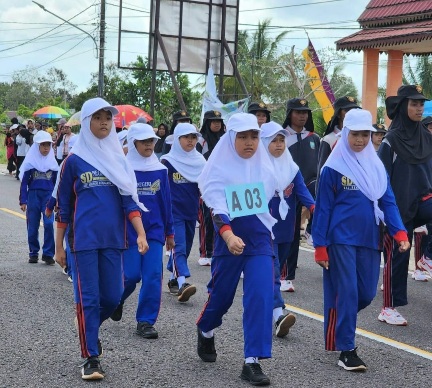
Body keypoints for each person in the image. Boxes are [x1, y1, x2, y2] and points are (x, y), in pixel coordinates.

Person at [54, 97, 149, 380]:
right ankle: (90, 357)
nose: (104, 122)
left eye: (108, 117)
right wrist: (59, 245)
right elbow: (63, 206)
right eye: (97, 117)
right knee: (89, 299)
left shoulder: (118, 160)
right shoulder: (73, 162)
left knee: (112, 296)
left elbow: (129, 202)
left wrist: (141, 233)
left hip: (114, 240)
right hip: (82, 242)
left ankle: (88, 325)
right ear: (86, 122)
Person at [312, 109, 409, 371]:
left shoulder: (376, 166)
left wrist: (399, 231)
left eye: (365, 134)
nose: (360, 140)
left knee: (365, 294)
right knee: (348, 291)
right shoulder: (333, 167)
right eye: (355, 134)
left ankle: (339, 320)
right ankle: (347, 349)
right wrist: (320, 246)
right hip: (339, 239)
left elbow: (388, 200)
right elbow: (322, 208)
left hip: (369, 239)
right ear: (345, 134)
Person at [196, 113, 278, 386]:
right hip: (228, 242)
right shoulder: (218, 169)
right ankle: (206, 329)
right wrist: (229, 236)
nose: (249, 142)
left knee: (260, 296)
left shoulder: (265, 168)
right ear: (231, 138)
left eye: (254, 136)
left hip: (259, 243)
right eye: (242, 137)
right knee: (221, 297)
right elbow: (218, 209)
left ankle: (252, 361)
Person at [110, 123, 175, 339]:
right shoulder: (122, 168)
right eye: (144, 141)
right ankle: (116, 300)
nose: (149, 145)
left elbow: (166, 202)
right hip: (129, 230)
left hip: (155, 231)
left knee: (153, 275)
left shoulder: (161, 170)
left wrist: (170, 232)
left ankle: (145, 321)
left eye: (152, 141)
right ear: (134, 143)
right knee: (131, 275)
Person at [378, 85, 432, 325]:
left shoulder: (426, 136)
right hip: (397, 206)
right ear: (403, 107)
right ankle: (388, 307)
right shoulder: (390, 140)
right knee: (399, 255)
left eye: (421, 104)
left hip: (422, 200)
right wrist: (382, 211)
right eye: (414, 104)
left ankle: (427, 257)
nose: (419, 108)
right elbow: (381, 178)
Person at [260, 121, 315, 337]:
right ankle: (278, 313)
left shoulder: (292, 168)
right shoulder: (256, 168)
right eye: (274, 140)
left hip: (285, 230)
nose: (279, 144)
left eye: (282, 140)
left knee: (274, 271)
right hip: (264, 230)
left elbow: (302, 192)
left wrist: (314, 208)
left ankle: (264, 306)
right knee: (273, 272)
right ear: (264, 142)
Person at [160, 123, 206, 301]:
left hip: (191, 212)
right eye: (186, 137)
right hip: (173, 213)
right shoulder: (167, 162)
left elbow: (207, 185)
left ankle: (173, 280)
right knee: (178, 246)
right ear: (177, 139)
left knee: (185, 248)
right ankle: (182, 283)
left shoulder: (201, 161)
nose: (190, 141)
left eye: (193, 137)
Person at [281, 98, 320, 291]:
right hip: (286, 190)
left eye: (305, 112)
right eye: (298, 111)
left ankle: (287, 276)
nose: (302, 115)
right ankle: (281, 273)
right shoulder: (281, 138)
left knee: (296, 233)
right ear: (290, 114)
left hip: (309, 189)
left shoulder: (314, 138)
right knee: (286, 232)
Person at [19, 131, 59, 264]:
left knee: (48, 224)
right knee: (32, 225)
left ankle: (48, 253)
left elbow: (57, 185)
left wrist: (57, 201)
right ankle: (33, 252)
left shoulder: (53, 165)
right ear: (37, 146)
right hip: (33, 196)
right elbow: (24, 183)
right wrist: (23, 200)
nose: (46, 148)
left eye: (48, 145)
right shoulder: (31, 163)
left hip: (48, 197)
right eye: (43, 145)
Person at [196, 110, 225, 266]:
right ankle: (206, 252)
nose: (216, 123)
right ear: (207, 123)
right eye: (213, 121)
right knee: (207, 218)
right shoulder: (201, 141)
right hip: (207, 184)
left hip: (224, 182)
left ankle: (219, 250)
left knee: (223, 217)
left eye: (219, 121)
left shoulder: (226, 139)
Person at [317, 96, 361, 180]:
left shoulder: (362, 139)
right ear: (338, 114)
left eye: (354, 110)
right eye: (347, 110)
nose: (351, 113)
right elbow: (322, 172)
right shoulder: (328, 139)